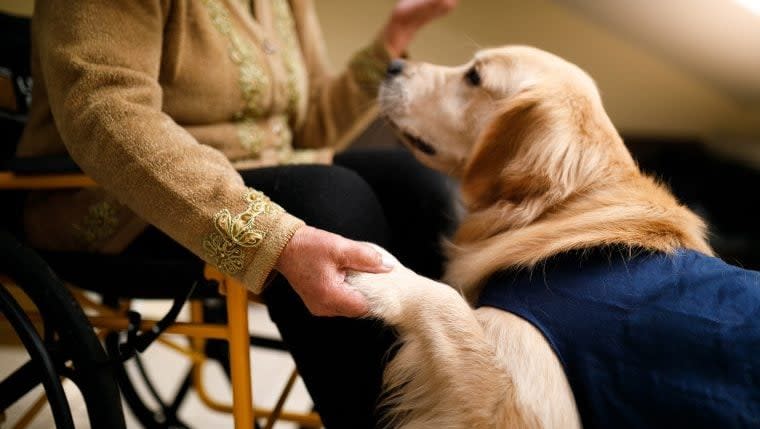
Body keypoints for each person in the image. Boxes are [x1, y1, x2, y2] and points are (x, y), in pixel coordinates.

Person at [18, 0, 459, 426]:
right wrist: (272, 236)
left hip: (265, 170)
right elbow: (103, 109)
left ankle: (457, 406)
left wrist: (393, 38)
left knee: (417, 186)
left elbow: (307, 125)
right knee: (330, 200)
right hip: (118, 199)